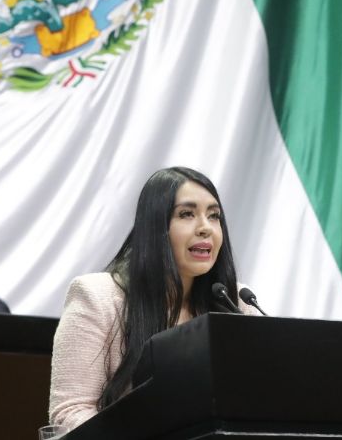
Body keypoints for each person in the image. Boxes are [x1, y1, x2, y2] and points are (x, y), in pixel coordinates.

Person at [48, 167, 260, 429]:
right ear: (155, 227)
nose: (205, 228)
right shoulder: (97, 298)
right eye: (187, 214)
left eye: (214, 216)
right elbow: (70, 412)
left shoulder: (235, 303)